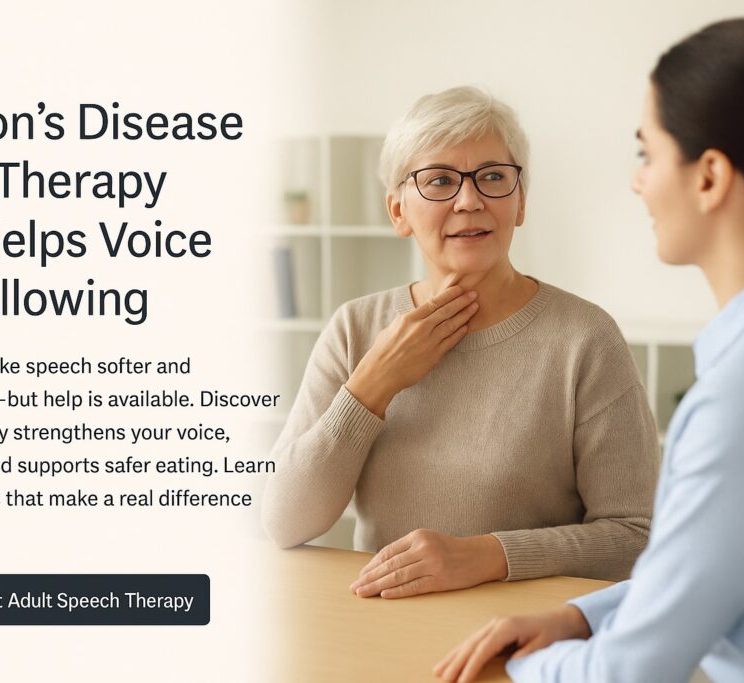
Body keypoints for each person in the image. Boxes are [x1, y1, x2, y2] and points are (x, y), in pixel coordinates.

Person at [433, 18, 744, 683]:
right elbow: (717, 566)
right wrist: (581, 615)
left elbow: (627, 672)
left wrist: (521, 666)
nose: (638, 182)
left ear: (710, 177)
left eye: (648, 154)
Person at [261, 86, 661, 596]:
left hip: (526, 643)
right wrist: (372, 385)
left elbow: (637, 537)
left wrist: (490, 556)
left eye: (493, 177)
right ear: (398, 211)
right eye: (440, 181)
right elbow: (285, 522)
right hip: (381, 635)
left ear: (519, 203)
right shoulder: (354, 329)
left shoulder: (586, 339)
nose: (469, 200)